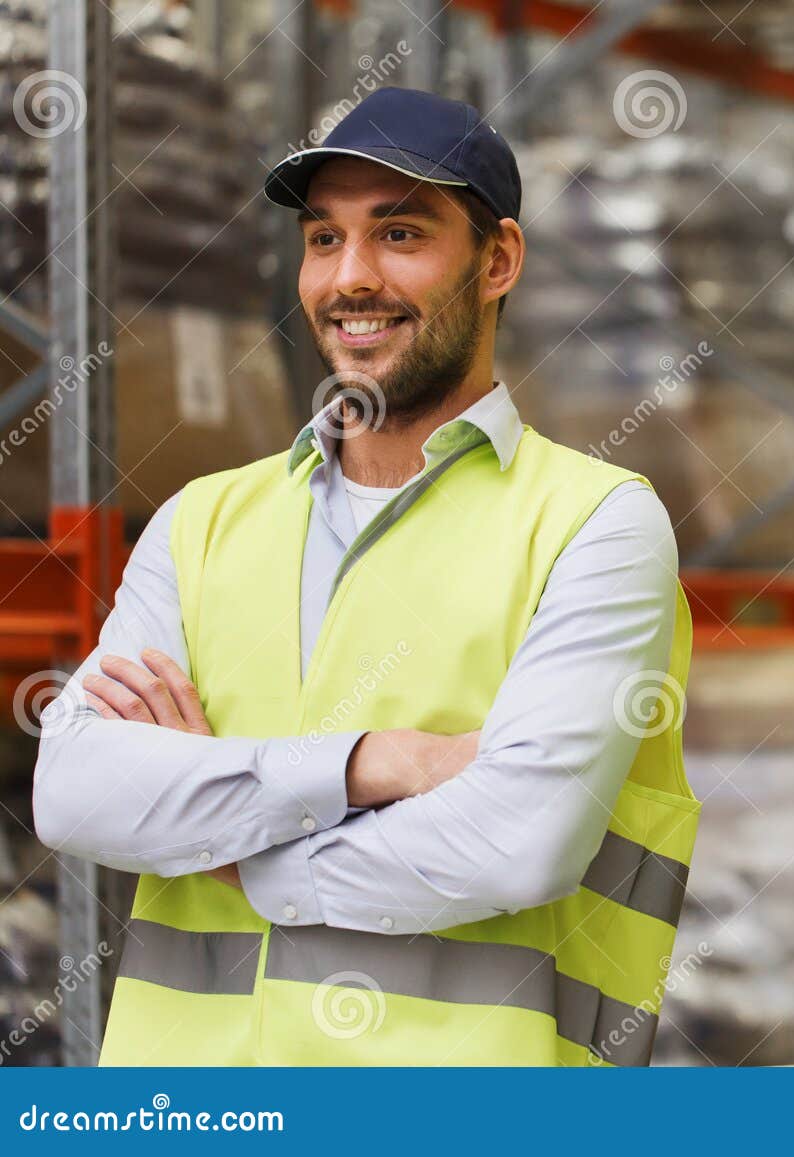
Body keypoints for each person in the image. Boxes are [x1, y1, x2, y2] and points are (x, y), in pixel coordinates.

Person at [32, 87, 698, 1067]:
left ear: (498, 260)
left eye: (398, 233)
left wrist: (221, 840)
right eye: (322, 239)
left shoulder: (594, 523)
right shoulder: (202, 521)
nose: (350, 277)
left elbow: (520, 840)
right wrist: (375, 762)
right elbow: (76, 791)